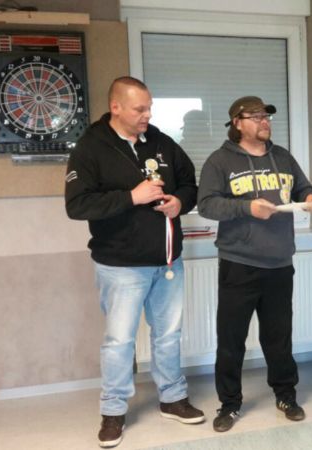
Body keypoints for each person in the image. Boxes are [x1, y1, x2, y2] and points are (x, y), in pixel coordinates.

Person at [65, 76, 203, 448]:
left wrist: (180, 202)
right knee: (119, 342)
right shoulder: (91, 148)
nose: (147, 115)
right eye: (140, 109)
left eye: (149, 108)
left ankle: (172, 398)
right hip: (120, 266)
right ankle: (113, 411)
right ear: (116, 107)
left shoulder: (160, 141)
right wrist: (132, 197)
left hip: (168, 262)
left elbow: (190, 183)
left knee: (168, 336)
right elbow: (77, 205)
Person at [197, 96, 312, 433]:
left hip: (280, 262)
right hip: (238, 263)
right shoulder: (220, 161)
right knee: (231, 339)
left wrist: (309, 198)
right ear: (237, 123)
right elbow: (206, 205)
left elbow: (303, 187)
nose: (264, 121)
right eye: (256, 117)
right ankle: (230, 403)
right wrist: (246, 208)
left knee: (279, 337)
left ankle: (286, 396)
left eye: (266, 116)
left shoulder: (283, 157)